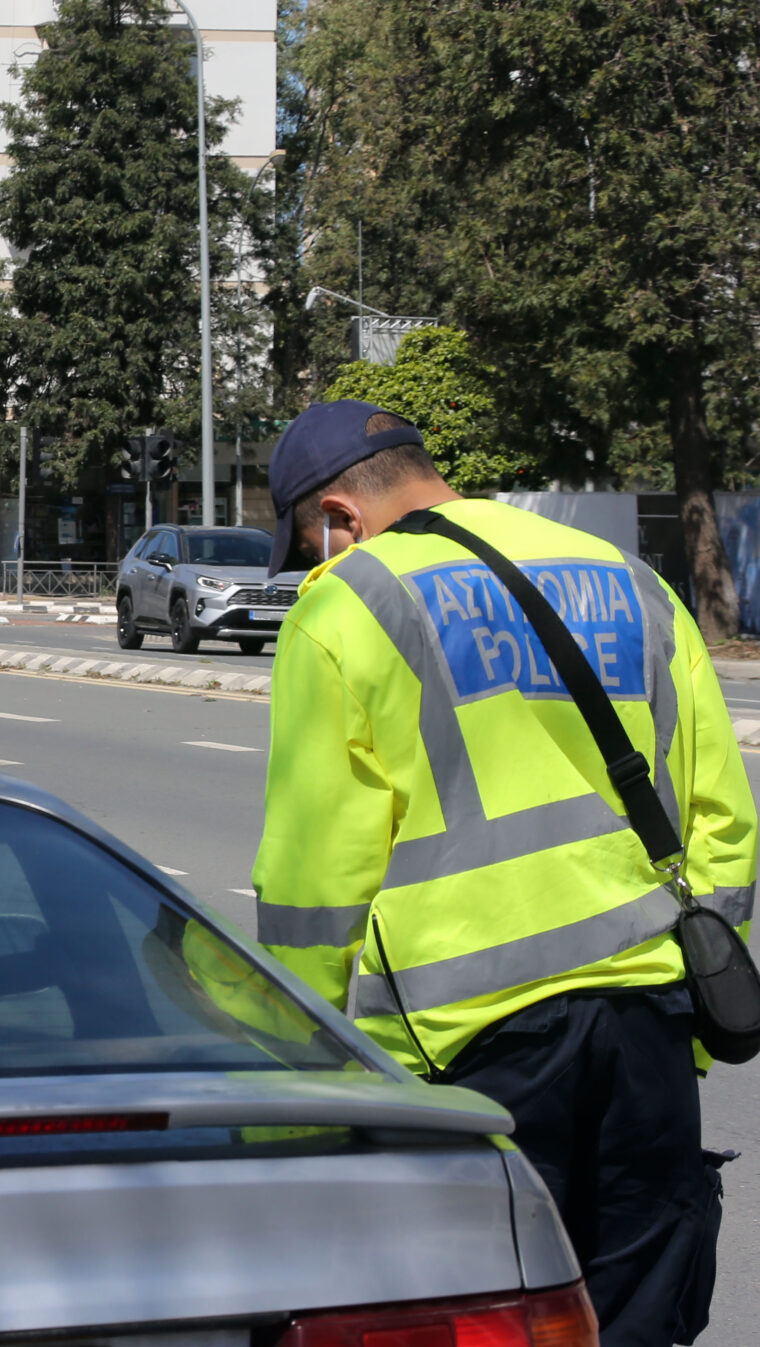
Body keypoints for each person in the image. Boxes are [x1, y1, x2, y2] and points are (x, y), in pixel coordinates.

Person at [252, 399, 755, 1347]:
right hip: (649, 1023)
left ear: (340, 517)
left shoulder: (347, 604)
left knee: (492, 1317)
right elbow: (723, 822)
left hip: (470, 1054)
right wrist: (692, 1018)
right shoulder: (631, 580)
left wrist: (316, 1074)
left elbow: (318, 880)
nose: (316, 564)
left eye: (312, 544)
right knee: (639, 1313)